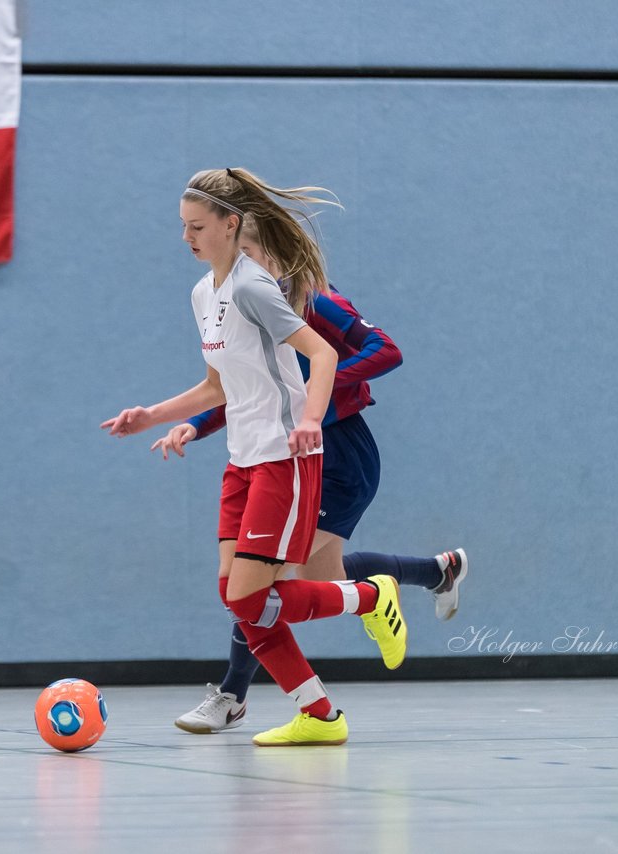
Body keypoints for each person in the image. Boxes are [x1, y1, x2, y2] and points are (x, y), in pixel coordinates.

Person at [103, 168, 407, 746]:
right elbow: (217, 386)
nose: (187, 237)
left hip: (283, 460)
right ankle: (318, 717)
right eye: (182, 227)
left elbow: (318, 356)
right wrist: (154, 415)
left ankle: (372, 594)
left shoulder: (252, 287)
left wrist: (312, 420)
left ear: (231, 223)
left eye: (197, 227)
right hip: (242, 460)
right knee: (238, 599)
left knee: (250, 596)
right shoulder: (203, 293)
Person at [154, 214, 468, 734]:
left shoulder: (313, 298)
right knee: (318, 579)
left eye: (248, 254)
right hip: (295, 447)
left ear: (271, 252)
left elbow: (385, 349)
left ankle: (234, 695)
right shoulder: (244, 305)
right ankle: (436, 572)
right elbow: (241, 388)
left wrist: (316, 391)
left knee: (261, 585)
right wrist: (192, 425)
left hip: (338, 451)